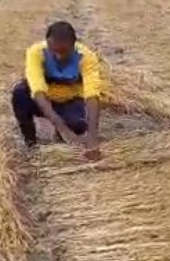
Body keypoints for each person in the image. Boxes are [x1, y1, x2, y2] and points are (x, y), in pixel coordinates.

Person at [11, 21, 103, 161]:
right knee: (19, 93)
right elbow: (38, 91)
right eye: (54, 52)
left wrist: (92, 137)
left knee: (79, 123)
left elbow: (92, 95)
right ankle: (31, 143)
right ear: (47, 43)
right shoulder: (36, 52)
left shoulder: (86, 57)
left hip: (69, 101)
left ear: (74, 46)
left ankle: (61, 136)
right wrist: (62, 128)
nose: (59, 57)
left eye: (64, 52)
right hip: (43, 100)